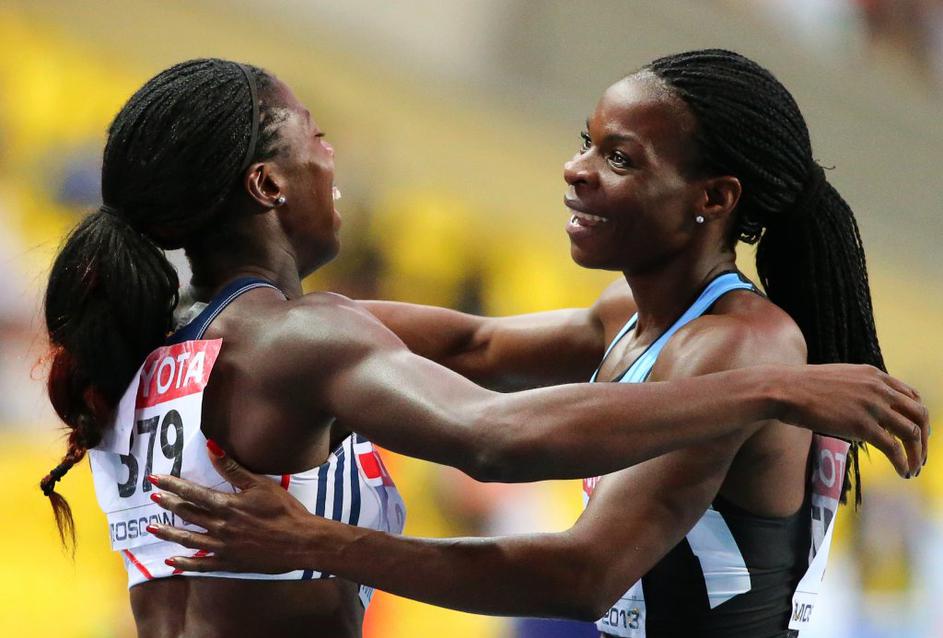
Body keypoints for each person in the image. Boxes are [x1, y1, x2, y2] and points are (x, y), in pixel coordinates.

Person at [145, 50, 930, 637]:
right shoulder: (628, 313)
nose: (575, 169)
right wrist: (253, 318)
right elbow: (475, 346)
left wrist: (317, 542)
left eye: (617, 158)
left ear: (712, 197)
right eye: (585, 141)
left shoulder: (740, 348)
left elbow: (581, 575)